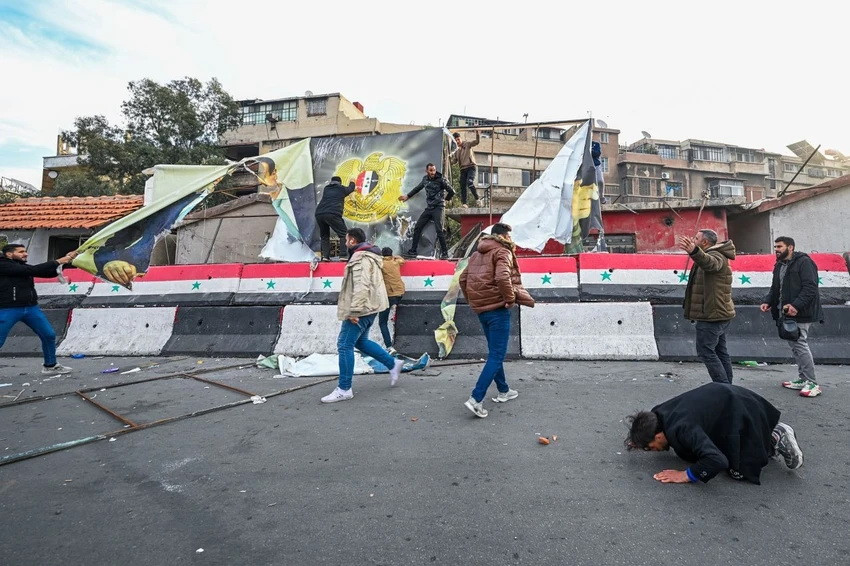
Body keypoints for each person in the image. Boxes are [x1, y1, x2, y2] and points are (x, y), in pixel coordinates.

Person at [624, 382, 803, 485]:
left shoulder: (682, 429)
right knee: (695, 451)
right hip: (728, 402)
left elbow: (717, 461)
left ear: (658, 436)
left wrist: (686, 475)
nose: (653, 450)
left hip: (745, 410)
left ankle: (775, 437)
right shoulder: (658, 414)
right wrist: (639, 438)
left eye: (650, 447)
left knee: (738, 471)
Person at [459, 223, 535, 418]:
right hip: (497, 309)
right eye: (509, 236)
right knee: (497, 355)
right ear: (504, 236)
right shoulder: (503, 251)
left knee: (495, 352)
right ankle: (476, 399)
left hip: (482, 310)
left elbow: (463, 279)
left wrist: (474, 302)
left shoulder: (476, 253)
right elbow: (503, 277)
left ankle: (504, 390)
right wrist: (509, 299)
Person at [321, 229, 404, 403]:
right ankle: (392, 364)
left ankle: (344, 388)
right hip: (371, 306)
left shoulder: (361, 258)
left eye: (346, 240)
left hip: (362, 308)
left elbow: (361, 284)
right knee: (360, 341)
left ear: (352, 240)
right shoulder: (370, 255)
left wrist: (354, 311)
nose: (344, 243)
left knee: (344, 345)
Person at [760, 236, 824, 398]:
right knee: (795, 345)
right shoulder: (780, 265)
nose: (777, 250)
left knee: (800, 343)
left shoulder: (804, 262)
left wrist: (796, 305)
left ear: (791, 247)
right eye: (775, 247)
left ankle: (812, 383)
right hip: (785, 312)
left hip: (801, 312)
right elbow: (776, 287)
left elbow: (810, 288)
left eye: (780, 246)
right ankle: (803, 378)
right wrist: (768, 301)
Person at [0, 244, 77, 374]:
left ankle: (50, 365)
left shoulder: (22, 266)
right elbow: (32, 270)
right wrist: (59, 261)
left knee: (48, 335)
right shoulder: (3, 265)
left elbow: (43, 271)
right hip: (8, 309)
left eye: (25, 251)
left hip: (31, 308)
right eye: (21, 252)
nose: (26, 254)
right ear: (8, 254)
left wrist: (67, 260)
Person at [678, 229, 736, 384]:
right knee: (719, 351)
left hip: (712, 315)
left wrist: (694, 251)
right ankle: (727, 386)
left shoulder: (716, 255)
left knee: (706, 351)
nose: (693, 240)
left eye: (696, 238)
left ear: (704, 242)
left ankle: (722, 387)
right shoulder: (713, 253)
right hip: (717, 313)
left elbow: (711, 264)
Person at [399, 163, 455, 260]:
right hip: (429, 208)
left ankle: (445, 253)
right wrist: (407, 196)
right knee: (417, 227)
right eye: (431, 170)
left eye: (434, 170)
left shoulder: (441, 179)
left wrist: (445, 199)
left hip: (438, 207)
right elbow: (417, 188)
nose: (433, 172)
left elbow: (452, 191)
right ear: (427, 171)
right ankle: (413, 251)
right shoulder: (425, 179)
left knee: (439, 230)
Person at [315, 176, 356, 261]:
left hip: (319, 213)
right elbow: (351, 188)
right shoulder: (341, 189)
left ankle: (325, 256)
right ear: (340, 182)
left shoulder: (326, 188)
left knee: (324, 236)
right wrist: (352, 181)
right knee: (344, 233)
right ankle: (343, 255)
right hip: (332, 213)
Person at [378, 247, 405, 355]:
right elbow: (402, 260)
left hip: (389, 295)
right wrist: (394, 256)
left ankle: (389, 346)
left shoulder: (381, 264)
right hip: (400, 293)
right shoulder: (396, 262)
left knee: (382, 322)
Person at [450, 131, 481, 207]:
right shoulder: (456, 151)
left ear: (461, 138)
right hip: (463, 170)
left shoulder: (467, 144)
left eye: (458, 139)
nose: (457, 141)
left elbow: (476, 142)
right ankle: (464, 203)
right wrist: (448, 159)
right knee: (462, 185)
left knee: (469, 183)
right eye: (456, 140)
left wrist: (477, 134)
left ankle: (477, 199)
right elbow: (454, 161)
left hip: (471, 167)